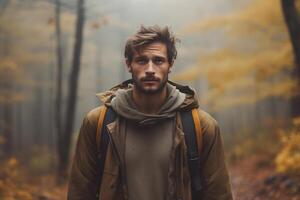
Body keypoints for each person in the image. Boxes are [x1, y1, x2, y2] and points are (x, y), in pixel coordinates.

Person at [67, 25, 233, 200]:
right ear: (128, 65)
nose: (150, 69)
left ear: (170, 64)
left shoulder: (200, 126)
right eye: (141, 60)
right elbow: (80, 191)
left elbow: (218, 194)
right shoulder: (98, 122)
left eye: (158, 60)